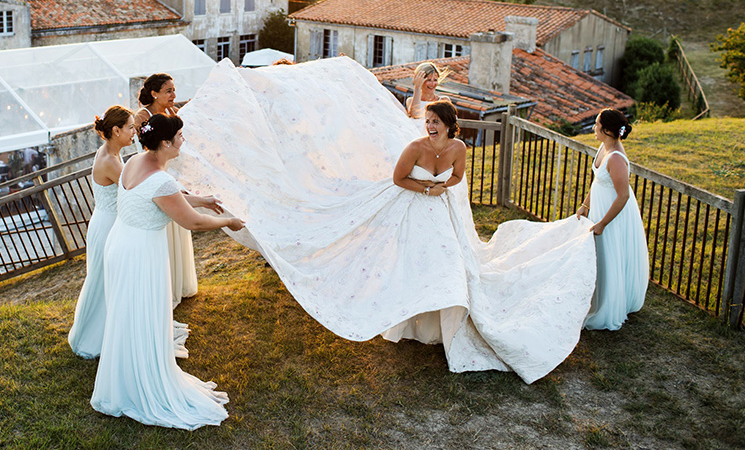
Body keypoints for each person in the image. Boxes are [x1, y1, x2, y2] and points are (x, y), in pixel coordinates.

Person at [166, 56, 596, 384]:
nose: (428, 125)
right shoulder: (413, 145)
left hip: (439, 209)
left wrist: (442, 190)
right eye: (425, 120)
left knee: (450, 261)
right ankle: (421, 320)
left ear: (447, 125)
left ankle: (444, 320)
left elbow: (459, 177)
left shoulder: (458, 150)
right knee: (420, 261)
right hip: (415, 203)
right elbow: (398, 178)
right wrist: (427, 187)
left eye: (433, 122)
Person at [91, 113, 245, 429]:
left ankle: (124, 378)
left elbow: (170, 199)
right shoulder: (162, 180)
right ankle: (142, 383)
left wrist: (202, 200)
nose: (183, 140)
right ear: (165, 143)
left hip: (121, 243)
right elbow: (193, 222)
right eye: (179, 135)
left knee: (128, 314)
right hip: (141, 252)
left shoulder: (135, 161)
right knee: (144, 312)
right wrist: (228, 221)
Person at [68, 106, 136, 359]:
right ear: (116, 130)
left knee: (110, 281)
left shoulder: (109, 151)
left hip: (107, 221)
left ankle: (115, 330)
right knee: (105, 282)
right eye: (130, 127)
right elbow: (136, 188)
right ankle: (98, 338)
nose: (134, 132)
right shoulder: (109, 160)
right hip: (108, 227)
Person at [575, 108, 649, 330]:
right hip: (599, 207)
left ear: (607, 129)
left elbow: (624, 195)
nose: (594, 128)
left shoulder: (616, 157)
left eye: (597, 124)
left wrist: (603, 223)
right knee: (598, 255)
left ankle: (608, 304)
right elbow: (598, 181)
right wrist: (585, 205)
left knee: (608, 254)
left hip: (613, 214)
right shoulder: (603, 147)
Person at [134, 72, 196, 307]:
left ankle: (178, 283)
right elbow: (147, 147)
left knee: (177, 228)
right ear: (154, 93)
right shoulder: (142, 115)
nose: (174, 95)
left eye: (174, 90)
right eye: (169, 90)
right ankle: (163, 286)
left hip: (173, 172)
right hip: (155, 175)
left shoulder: (173, 112)